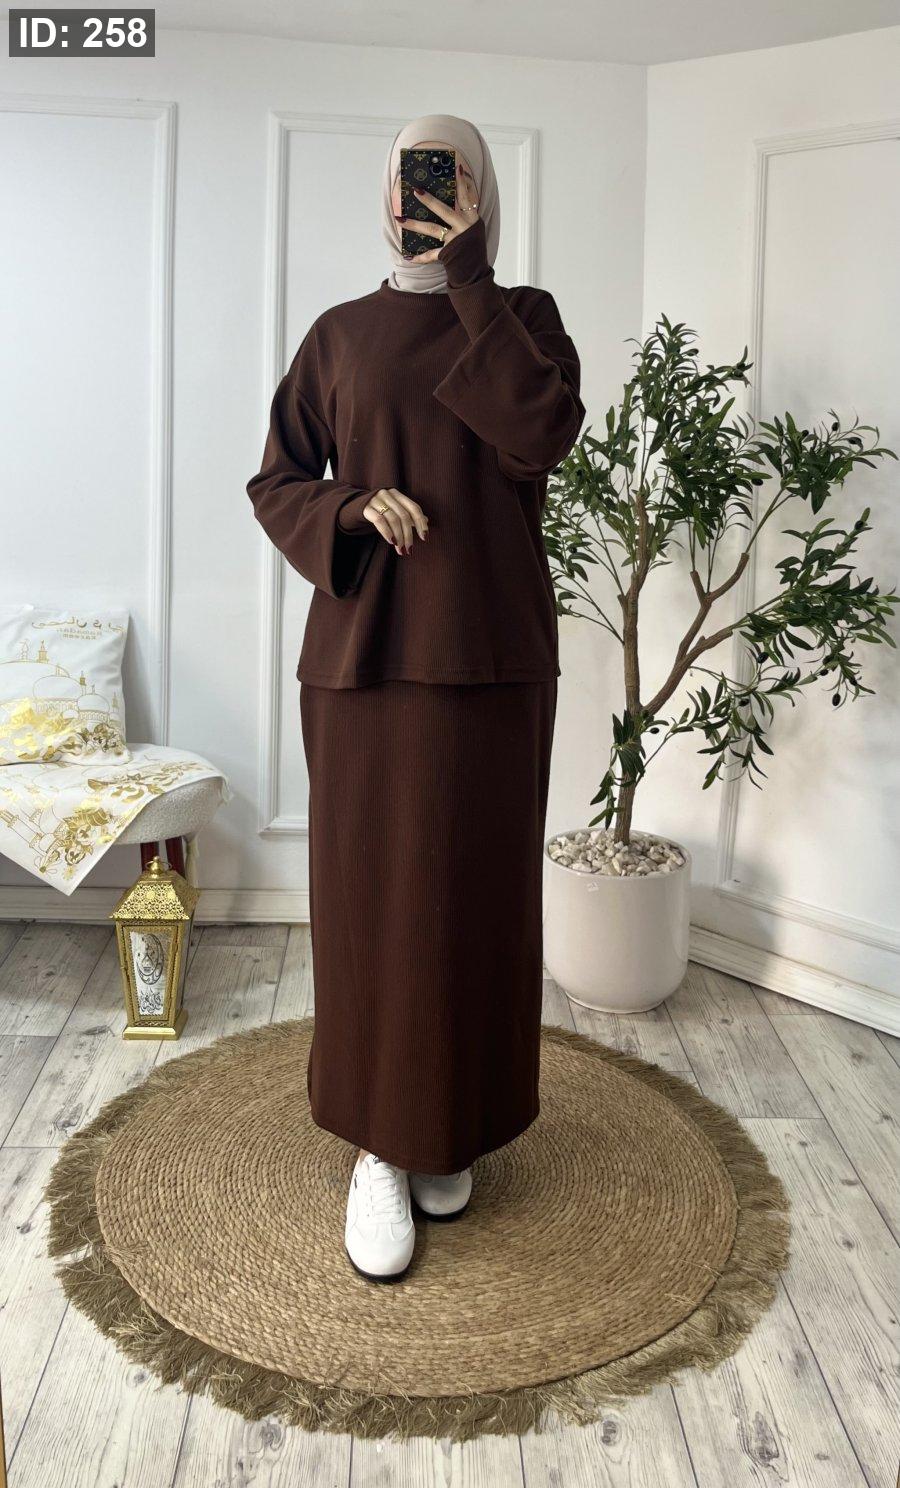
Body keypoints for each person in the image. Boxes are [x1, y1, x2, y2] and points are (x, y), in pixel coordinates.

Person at [247, 112, 585, 1283]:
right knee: (374, 904)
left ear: (481, 191)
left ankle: (454, 1126)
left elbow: (539, 436)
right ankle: (380, 1148)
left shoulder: (523, 318)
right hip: (366, 661)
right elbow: (276, 479)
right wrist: (347, 508)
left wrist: (472, 278)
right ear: (382, 190)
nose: (420, 194)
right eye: (407, 175)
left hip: (492, 658)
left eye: (445, 176)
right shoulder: (339, 335)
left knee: (476, 900)